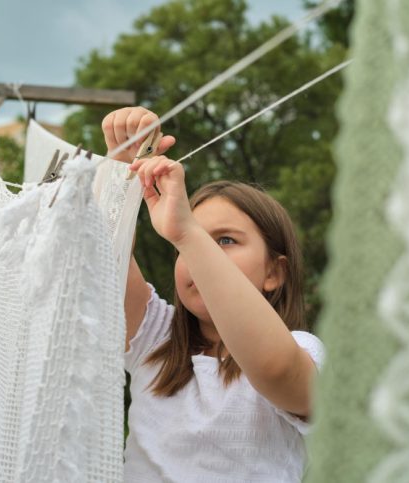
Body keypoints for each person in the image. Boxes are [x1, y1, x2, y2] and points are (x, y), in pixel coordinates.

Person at [102, 107, 325, 482]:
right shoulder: (156, 338)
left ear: (274, 272)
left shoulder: (302, 349)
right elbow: (101, 254)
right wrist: (120, 174)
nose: (199, 254)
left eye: (224, 240)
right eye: (188, 246)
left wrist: (187, 233)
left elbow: (276, 369)